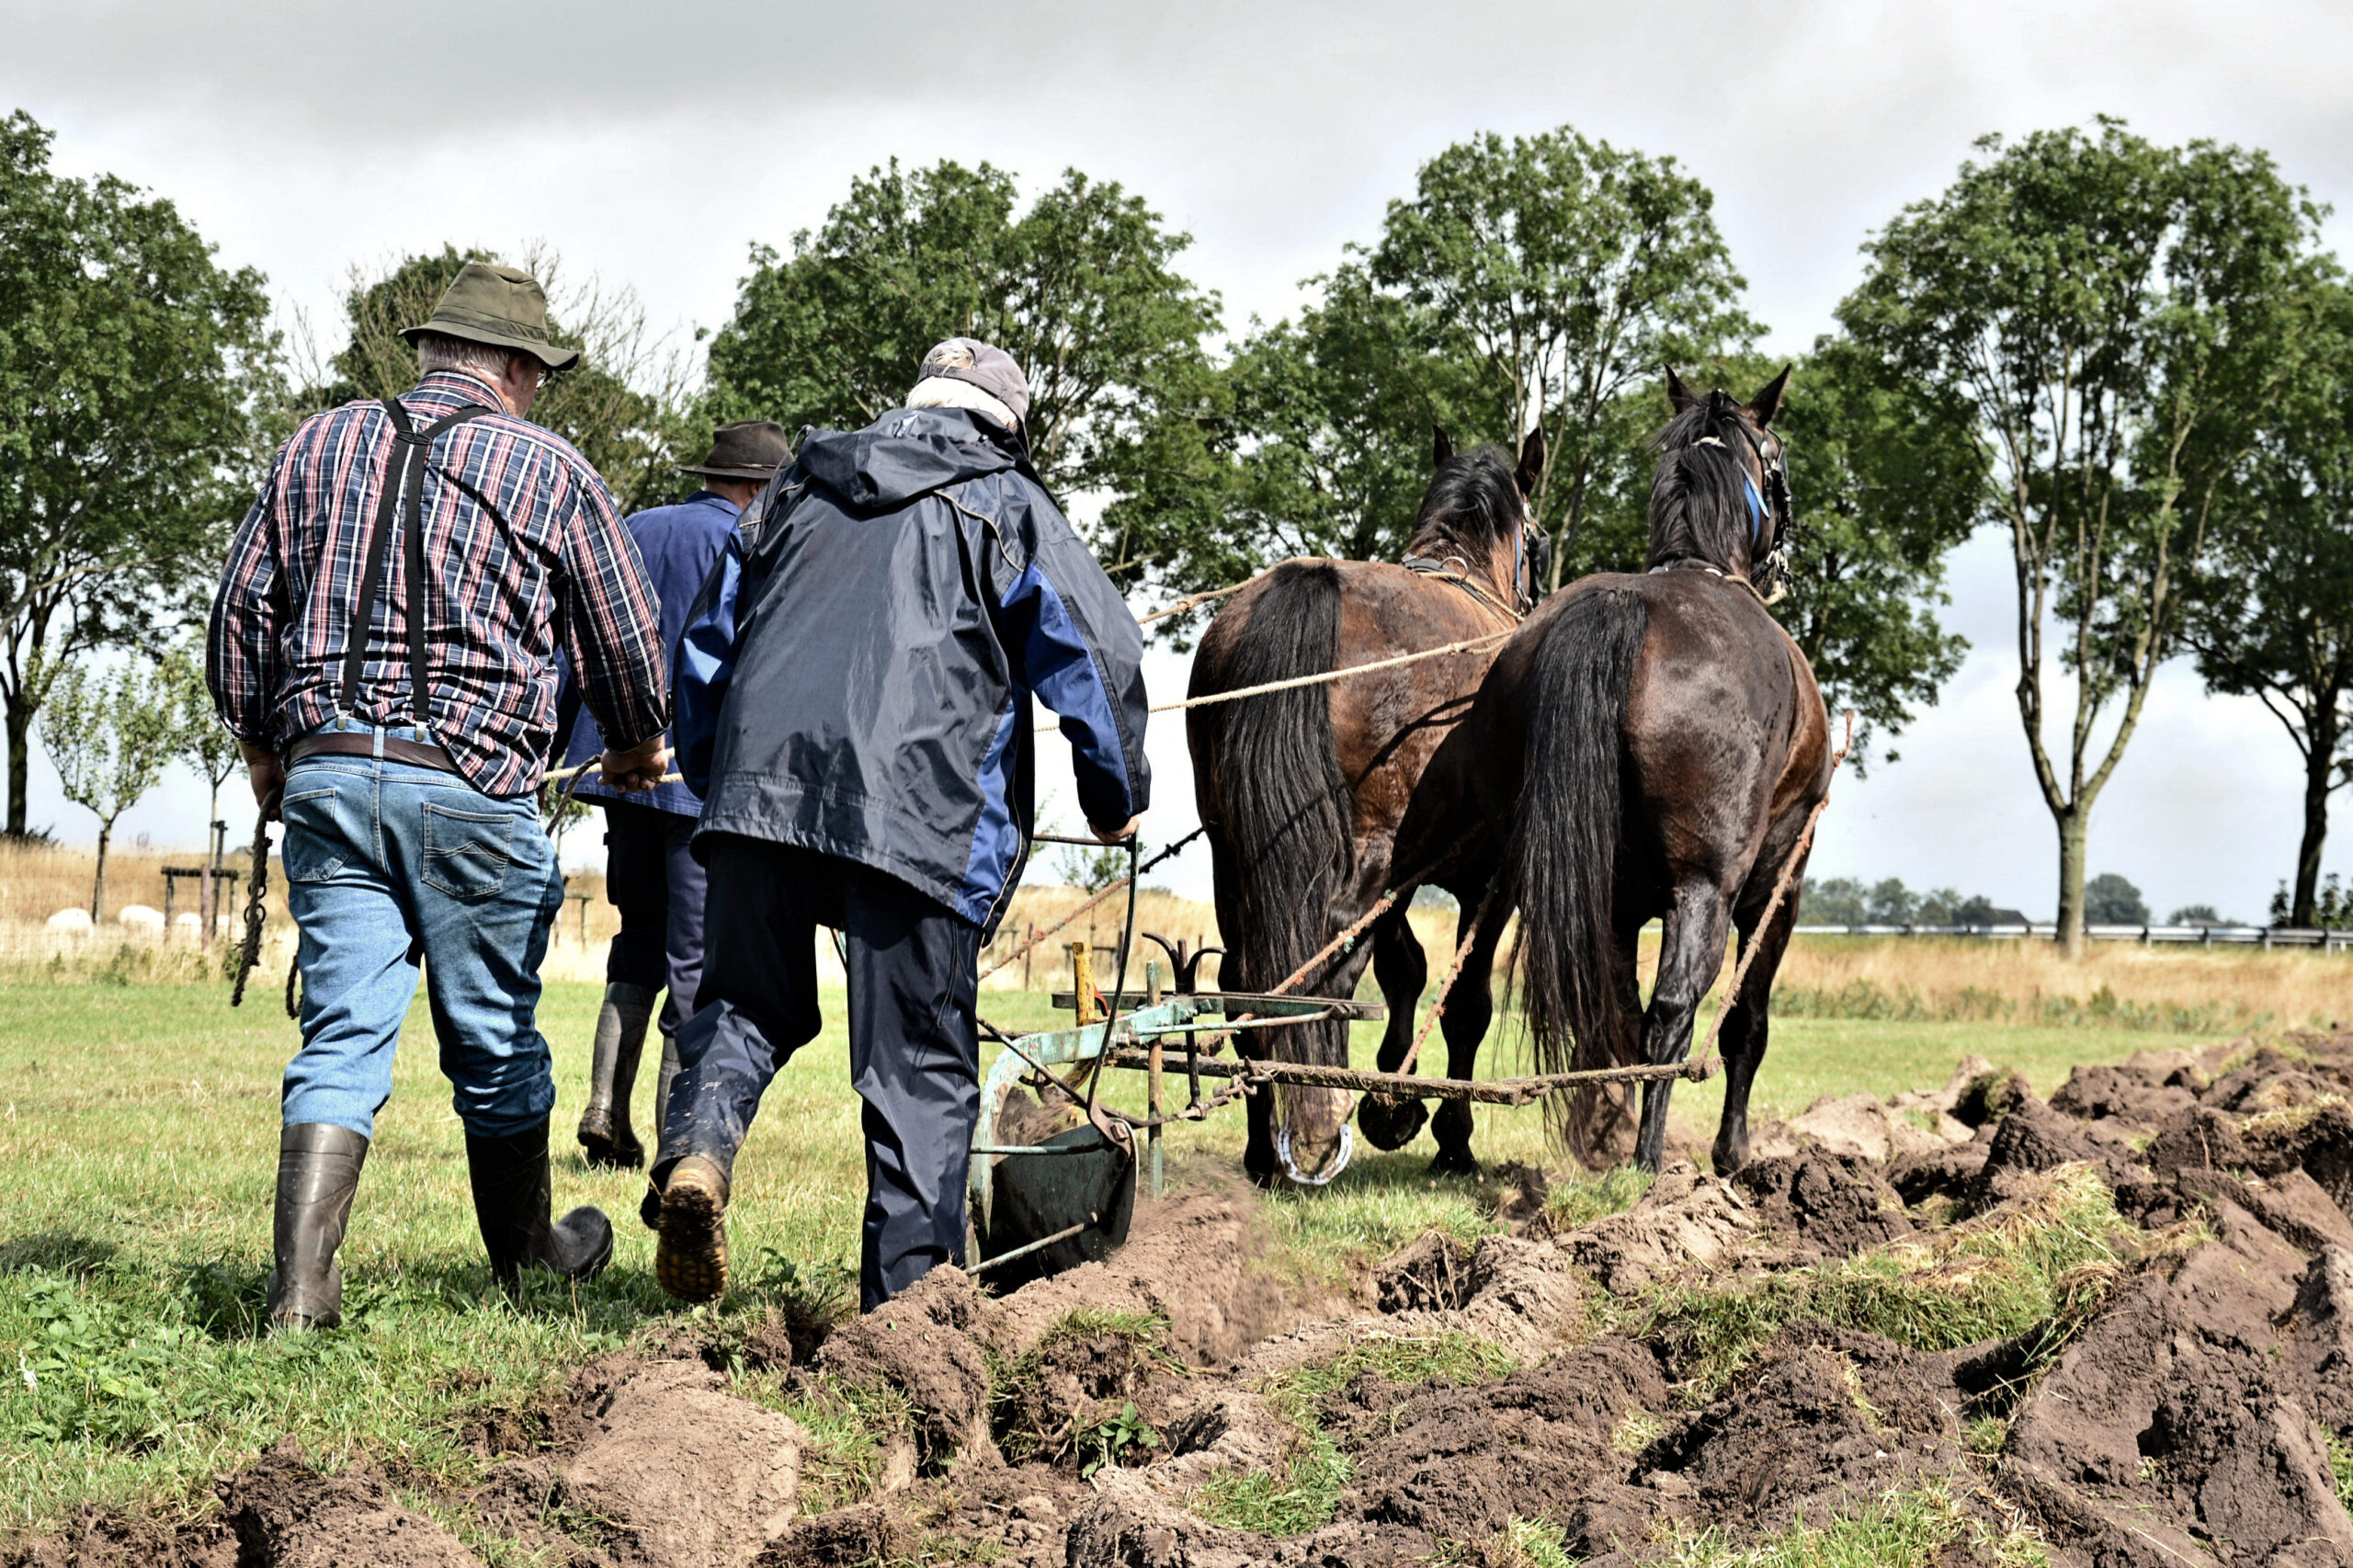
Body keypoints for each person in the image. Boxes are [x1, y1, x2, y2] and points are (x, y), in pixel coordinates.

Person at [207, 262, 672, 1330]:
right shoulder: (550, 467)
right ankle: (530, 1262)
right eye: (538, 372)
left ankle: (300, 1294)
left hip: (326, 769)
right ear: (513, 368)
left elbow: (240, 611)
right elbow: (622, 635)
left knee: (341, 1033)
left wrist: (264, 745)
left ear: (431, 353)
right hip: (471, 780)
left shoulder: (314, 443)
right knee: (494, 1032)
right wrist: (639, 742)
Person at [650, 338, 1148, 1312]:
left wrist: (724, 784)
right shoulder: (1005, 498)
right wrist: (1114, 791)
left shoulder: (796, 487)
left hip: (756, 794)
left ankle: (700, 1153)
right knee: (915, 1069)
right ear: (1008, 426)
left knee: (744, 1004)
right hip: (918, 811)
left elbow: (706, 646)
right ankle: (910, 1321)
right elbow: (1099, 648)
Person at [558, 421, 792, 1171]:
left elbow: (575, 638)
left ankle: (603, 1108)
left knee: (637, 940)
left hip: (620, 771)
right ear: (759, 487)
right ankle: (672, 1141)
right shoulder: (756, 544)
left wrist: (562, 743)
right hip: (698, 782)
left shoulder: (635, 527)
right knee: (694, 960)